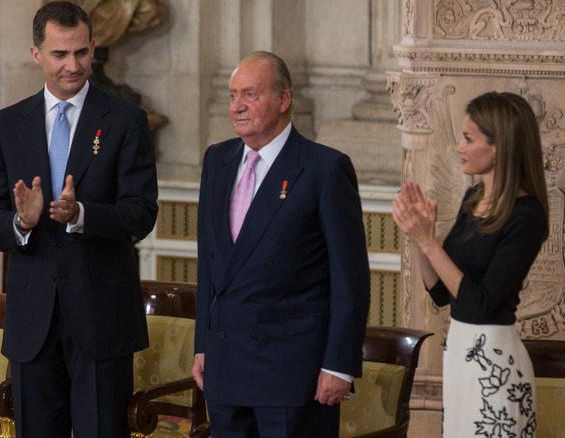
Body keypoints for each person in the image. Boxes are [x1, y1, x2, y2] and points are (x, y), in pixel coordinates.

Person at [0, 2, 158, 437]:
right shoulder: (4, 125)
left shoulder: (127, 120)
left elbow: (141, 213)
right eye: (59, 54)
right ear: (37, 54)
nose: (72, 65)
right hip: (32, 318)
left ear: (93, 47)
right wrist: (22, 223)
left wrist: (81, 216)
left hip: (102, 316)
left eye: (80, 52)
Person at [191, 51, 370, 437]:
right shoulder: (216, 160)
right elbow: (210, 264)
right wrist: (203, 346)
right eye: (232, 95)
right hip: (225, 369)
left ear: (283, 100)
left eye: (250, 95)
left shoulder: (324, 168)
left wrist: (339, 365)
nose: (237, 107)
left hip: (293, 376)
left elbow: (349, 279)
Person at [392, 91, 547, 436]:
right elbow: (441, 295)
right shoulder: (472, 197)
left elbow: (479, 305)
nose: (459, 147)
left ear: (500, 147)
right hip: (459, 355)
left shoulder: (527, 214)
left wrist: (431, 243)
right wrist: (421, 238)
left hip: (495, 363)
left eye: (468, 139)